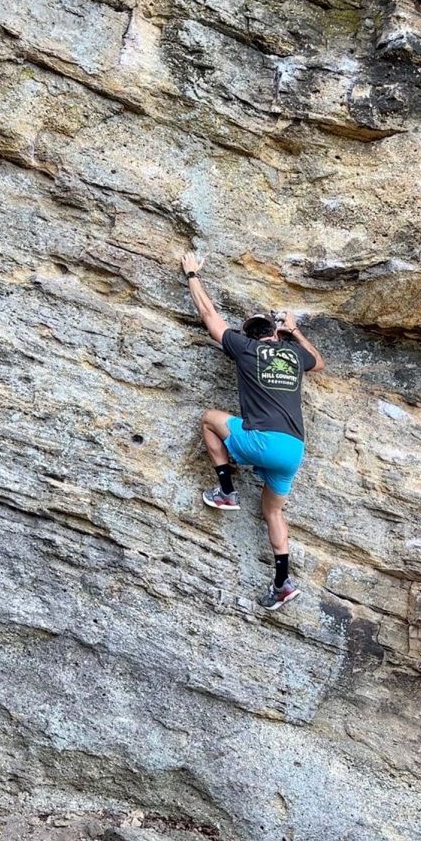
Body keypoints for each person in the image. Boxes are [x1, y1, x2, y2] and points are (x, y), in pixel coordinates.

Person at [181, 252, 324, 610]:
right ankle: (282, 583)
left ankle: (227, 490)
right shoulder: (293, 354)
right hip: (293, 450)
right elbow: (318, 363)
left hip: (263, 441)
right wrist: (293, 329)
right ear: (274, 333)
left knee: (209, 418)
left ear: (249, 336)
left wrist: (192, 275)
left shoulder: (245, 349)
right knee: (273, 512)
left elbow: (210, 317)